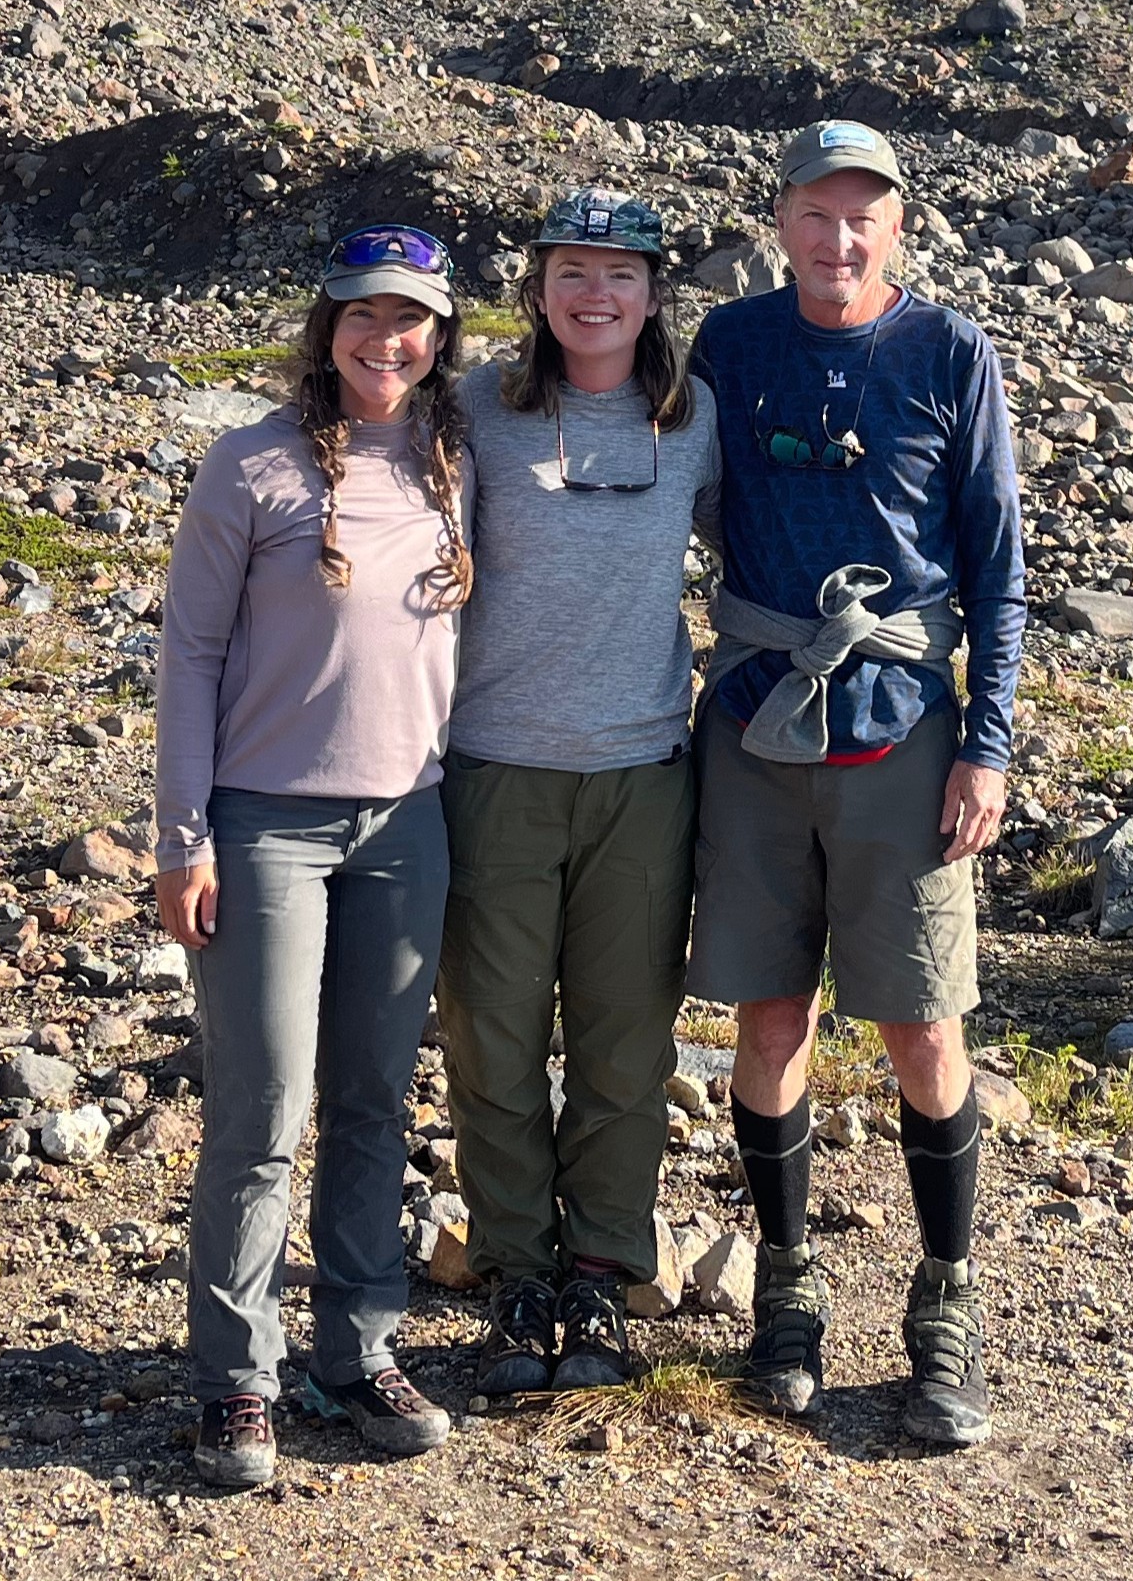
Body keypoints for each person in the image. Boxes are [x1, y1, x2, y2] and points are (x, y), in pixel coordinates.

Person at [688, 118, 1025, 1448]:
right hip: (760, 724)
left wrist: (987, 741)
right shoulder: (732, 345)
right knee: (767, 1022)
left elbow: (996, 564)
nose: (839, 239)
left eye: (863, 216)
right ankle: (786, 1285)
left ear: (899, 227)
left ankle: (945, 1299)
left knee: (922, 1028)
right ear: (779, 220)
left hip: (905, 737)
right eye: (817, 215)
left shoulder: (950, 352)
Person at [154, 223, 473, 1488]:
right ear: (324, 327)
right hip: (265, 822)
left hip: (411, 820)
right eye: (361, 316)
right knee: (263, 1105)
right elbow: (187, 658)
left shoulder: (458, 460)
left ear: (439, 337)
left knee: (373, 1099)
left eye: (409, 321)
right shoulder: (250, 465)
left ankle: (358, 1349)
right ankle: (239, 1376)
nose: (383, 340)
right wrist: (183, 836)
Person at [441, 188, 722, 1396]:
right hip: (496, 764)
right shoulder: (474, 414)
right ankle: (513, 1272)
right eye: (571, 272)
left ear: (654, 292)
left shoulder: (694, 416)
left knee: (623, 1040)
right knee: (492, 1037)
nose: (594, 295)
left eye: (619, 273)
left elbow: (763, 544)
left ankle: (601, 1271)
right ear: (538, 291)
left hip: (644, 772)